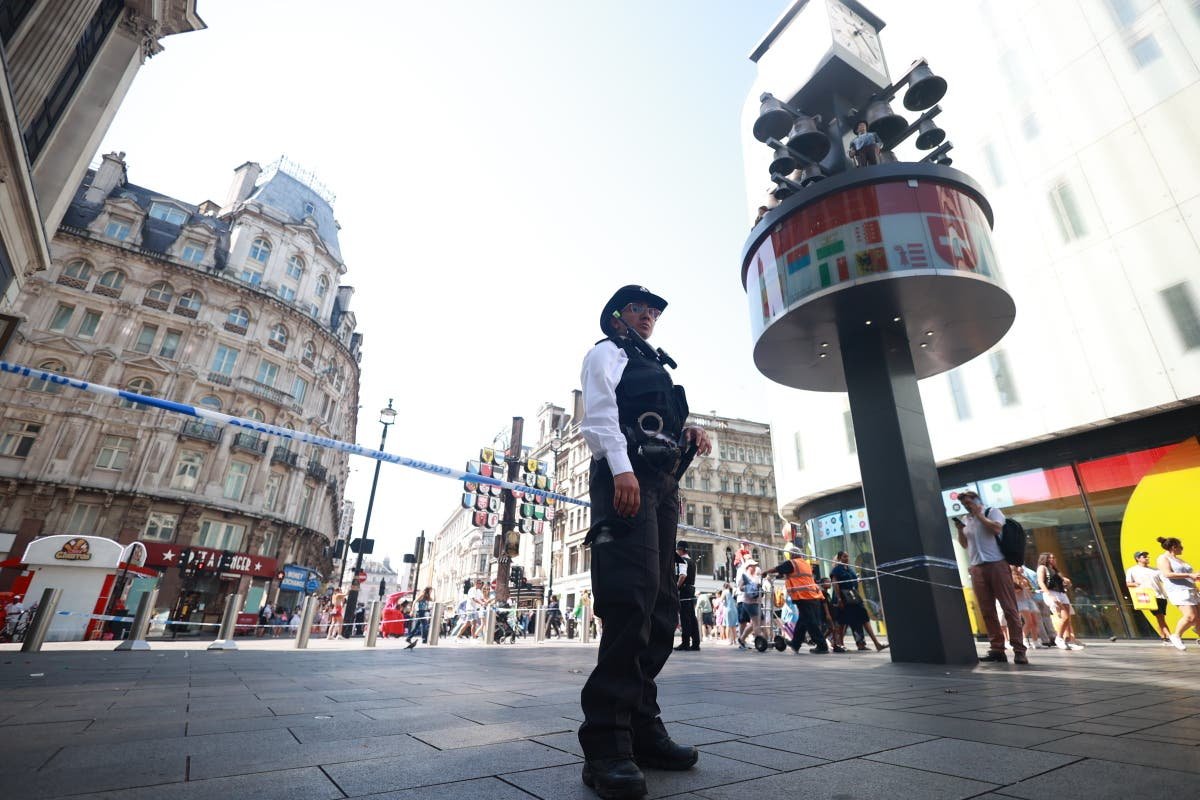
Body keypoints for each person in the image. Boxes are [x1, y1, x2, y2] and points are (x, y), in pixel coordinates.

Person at [577, 284, 712, 799]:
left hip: (662, 485)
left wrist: (690, 432)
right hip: (626, 479)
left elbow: (658, 422)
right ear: (616, 317)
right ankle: (606, 746)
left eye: (654, 311)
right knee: (629, 602)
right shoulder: (606, 353)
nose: (649, 316)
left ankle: (640, 726)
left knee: (661, 609)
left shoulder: (656, 364)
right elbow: (600, 416)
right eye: (640, 309)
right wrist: (621, 471)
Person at [954, 491, 1028, 664]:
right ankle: (997, 649)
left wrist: (979, 515)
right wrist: (960, 530)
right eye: (964, 505)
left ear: (977, 501)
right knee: (987, 610)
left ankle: (1019, 649)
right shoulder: (967, 519)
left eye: (969, 503)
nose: (967, 507)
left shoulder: (992, 512)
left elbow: (996, 528)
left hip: (997, 564)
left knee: (1009, 608)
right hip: (977, 567)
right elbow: (965, 544)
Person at [760, 553, 827, 654]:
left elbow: (778, 568)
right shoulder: (805, 564)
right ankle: (795, 643)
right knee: (803, 621)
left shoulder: (792, 563)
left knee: (810, 622)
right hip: (812, 595)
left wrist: (766, 572)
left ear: (792, 555)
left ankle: (822, 646)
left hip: (803, 596)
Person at [829, 551, 888, 652]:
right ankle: (839, 644)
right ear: (839, 558)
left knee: (863, 617)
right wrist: (839, 599)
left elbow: (854, 583)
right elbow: (836, 584)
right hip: (844, 599)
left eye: (847, 556)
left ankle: (873, 643)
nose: (846, 558)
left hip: (854, 598)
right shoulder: (836, 570)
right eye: (844, 557)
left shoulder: (850, 570)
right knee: (842, 622)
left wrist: (857, 581)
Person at [1156, 536, 1199, 651]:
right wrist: (1190, 575)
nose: (1182, 548)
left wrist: (1195, 578)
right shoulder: (1163, 558)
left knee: (1198, 618)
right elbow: (1167, 574)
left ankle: (1198, 632)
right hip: (1178, 591)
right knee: (1190, 616)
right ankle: (1176, 636)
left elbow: (1188, 575)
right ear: (1174, 547)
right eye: (1180, 546)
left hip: (1191, 590)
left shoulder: (1179, 559)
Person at [1036, 553, 1080, 650]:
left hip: (1062, 593)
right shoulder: (1042, 568)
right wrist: (1048, 594)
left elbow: (1062, 583)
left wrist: (1067, 582)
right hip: (1052, 593)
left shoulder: (1055, 569)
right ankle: (1059, 638)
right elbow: (1040, 581)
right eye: (1051, 557)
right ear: (1046, 559)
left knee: (1068, 619)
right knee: (1064, 617)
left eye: (1054, 557)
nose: (1054, 559)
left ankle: (1068, 641)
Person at [1125, 550, 1170, 643]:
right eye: (1144, 556)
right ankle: (1171, 637)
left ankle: (1163, 638)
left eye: (1147, 556)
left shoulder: (1155, 570)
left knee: (1161, 617)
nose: (1147, 558)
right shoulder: (1132, 570)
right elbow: (1128, 583)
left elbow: (1165, 580)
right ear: (1138, 559)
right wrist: (1136, 584)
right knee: (1159, 617)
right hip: (1148, 596)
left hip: (1161, 596)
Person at [674, 542, 700, 651]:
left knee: (685, 618)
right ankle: (695, 643)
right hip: (691, 589)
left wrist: (676, 587)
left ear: (680, 550)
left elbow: (683, 575)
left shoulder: (682, 561)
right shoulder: (692, 561)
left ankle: (685, 643)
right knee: (692, 617)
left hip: (684, 590)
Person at [1011, 565, 1043, 650]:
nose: (1021, 568)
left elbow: (1030, 588)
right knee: (1029, 622)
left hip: (1029, 600)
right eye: (1018, 567)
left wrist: (1032, 590)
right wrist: (1022, 587)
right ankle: (1023, 639)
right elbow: (1014, 590)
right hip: (1021, 601)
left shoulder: (1023, 577)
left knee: (1035, 621)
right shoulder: (1012, 578)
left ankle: (1035, 641)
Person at [735, 560, 764, 649]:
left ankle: (742, 638)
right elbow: (740, 588)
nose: (755, 567)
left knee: (759, 622)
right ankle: (759, 641)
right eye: (753, 566)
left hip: (757, 602)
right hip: (749, 602)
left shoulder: (756, 576)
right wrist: (749, 588)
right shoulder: (745, 576)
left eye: (755, 566)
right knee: (756, 622)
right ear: (748, 567)